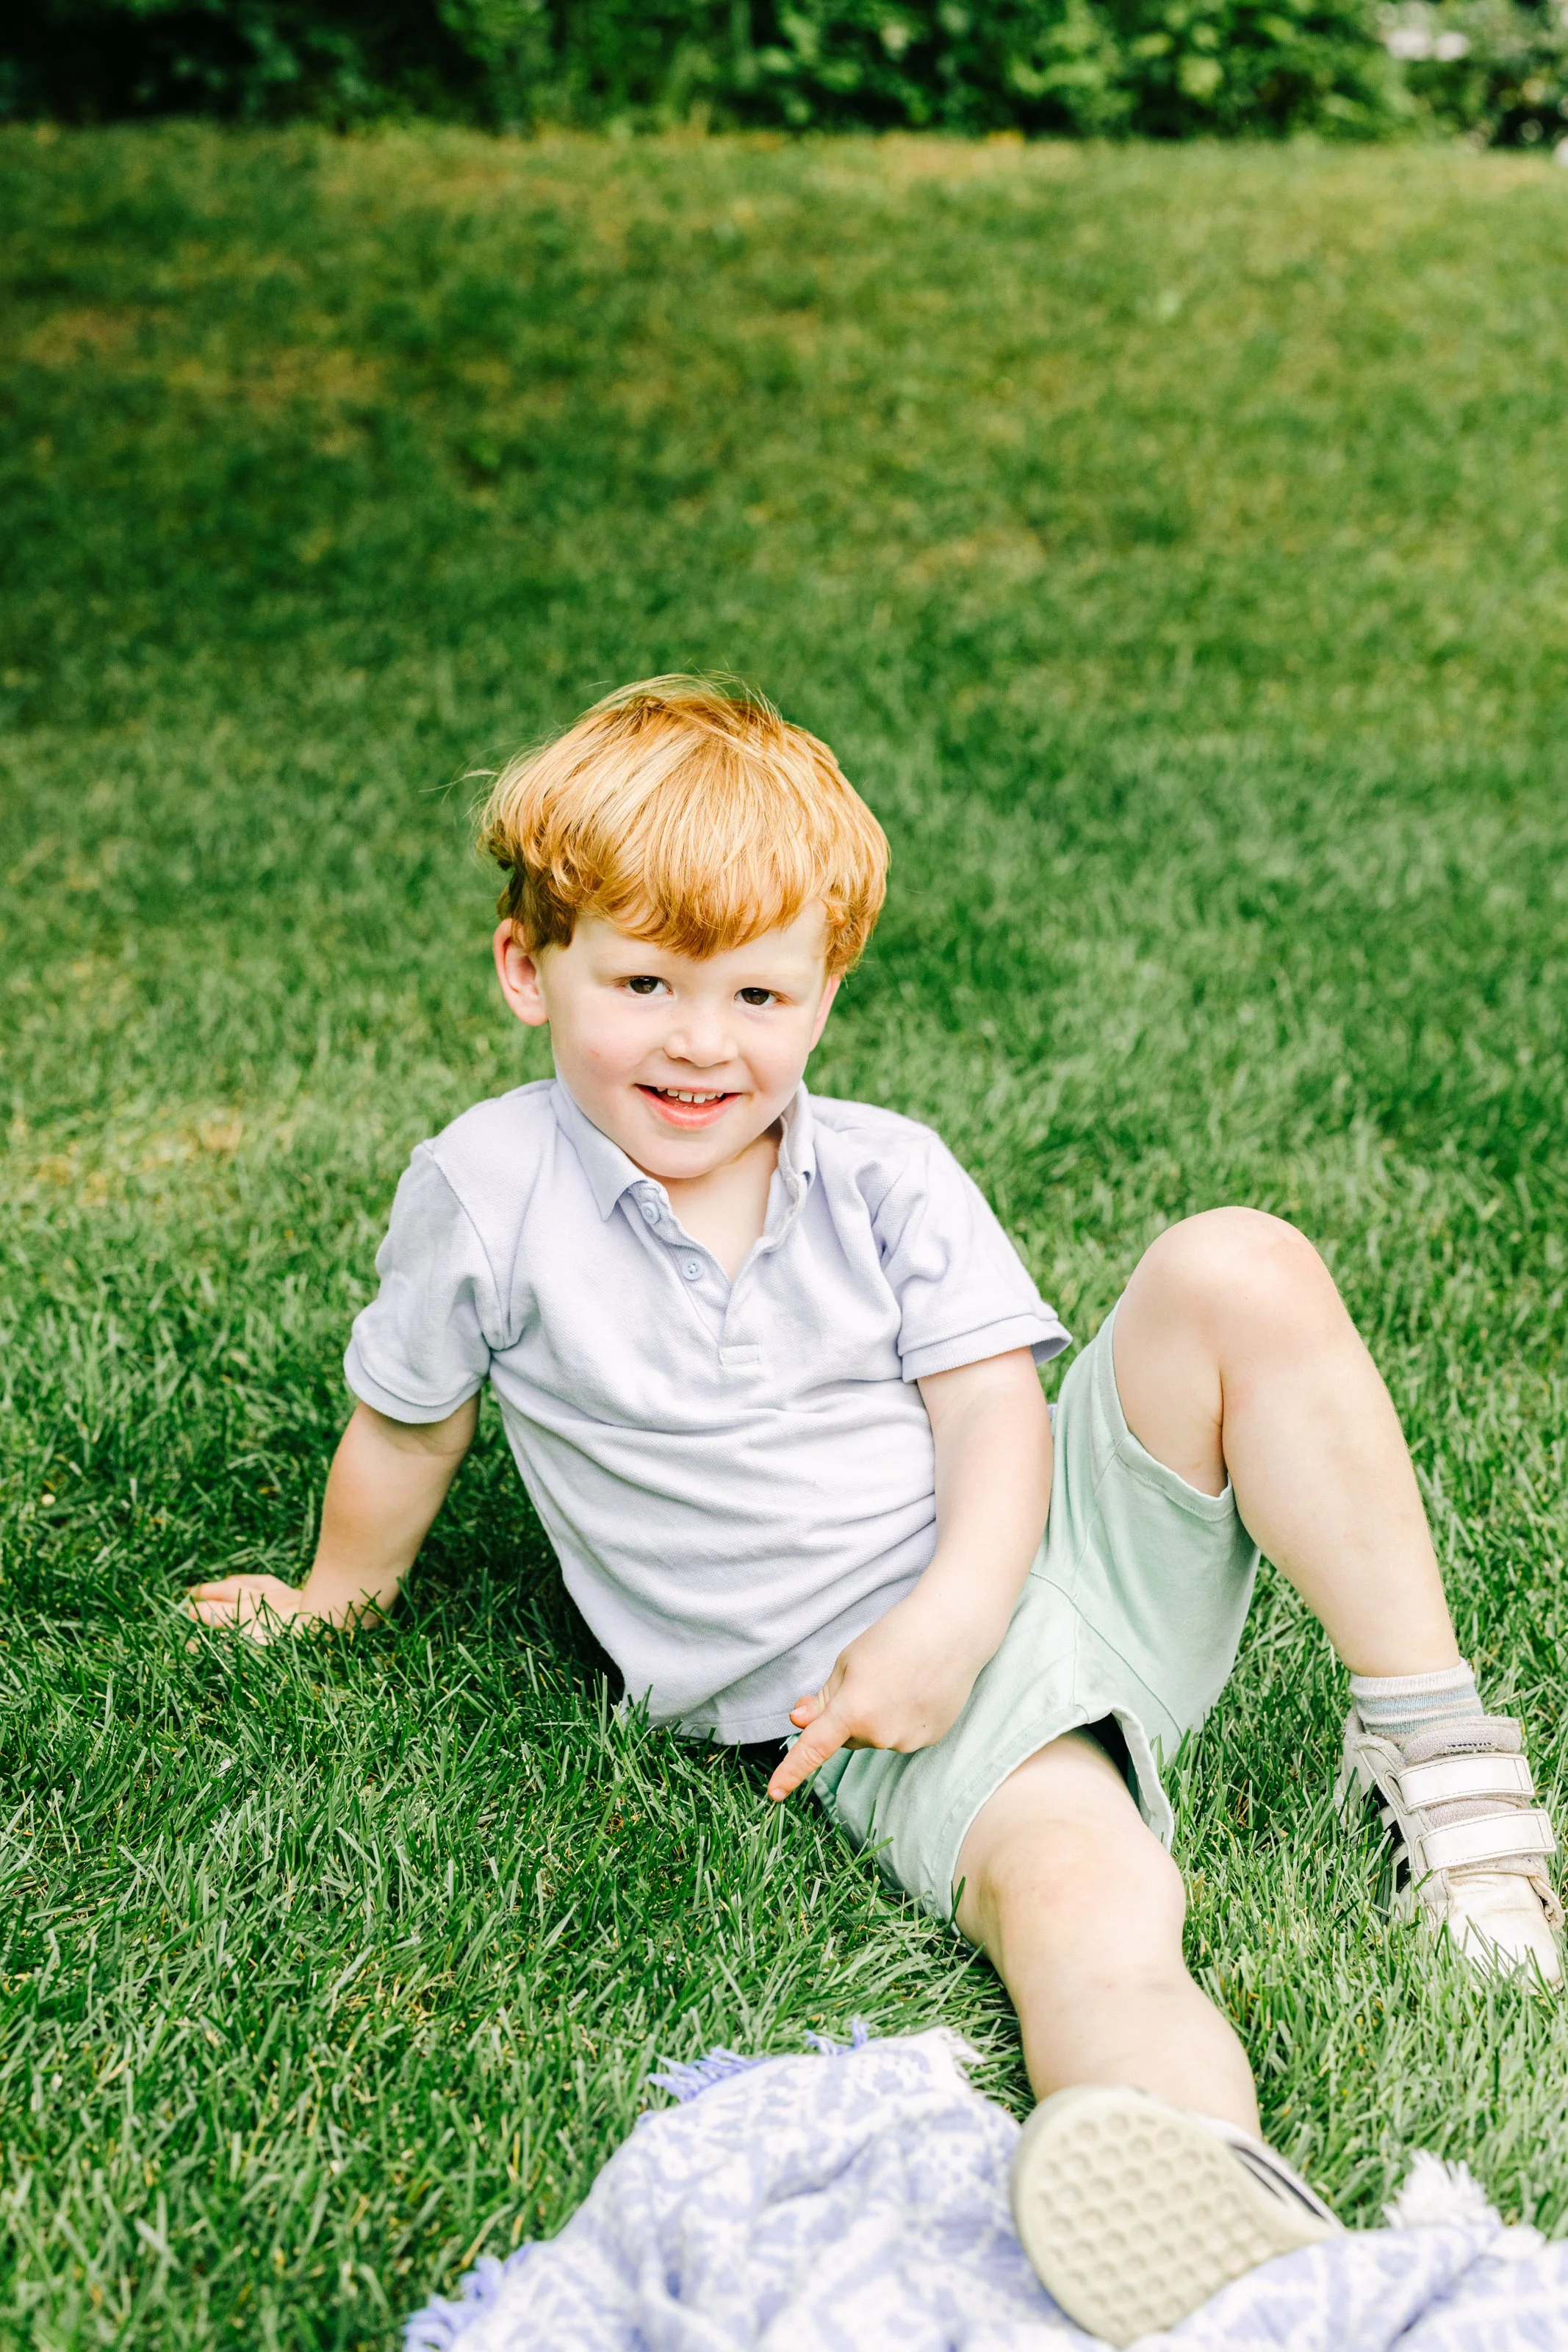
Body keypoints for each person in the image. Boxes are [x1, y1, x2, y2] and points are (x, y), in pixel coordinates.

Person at [187, 678, 1561, 2346]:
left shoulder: (884, 1173)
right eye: (642, 982)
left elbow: (992, 1414)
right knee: (1081, 1905)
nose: (704, 1040)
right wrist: (338, 1591)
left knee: (1236, 1263)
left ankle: (1426, 1736)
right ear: (524, 969)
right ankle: (1211, 2207)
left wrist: (955, 1618)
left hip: (1026, 1569)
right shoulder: (484, 1194)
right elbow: (410, 1422)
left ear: (825, 990)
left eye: (757, 991)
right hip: (882, 1698)